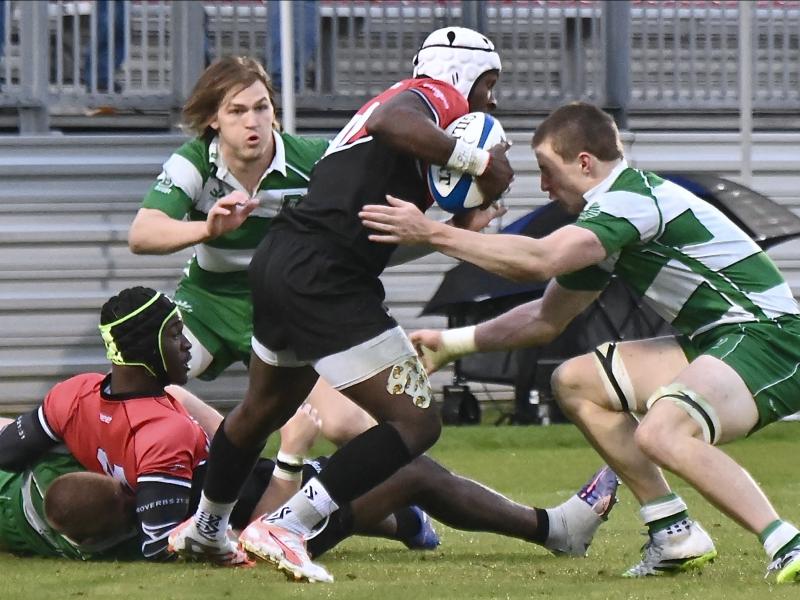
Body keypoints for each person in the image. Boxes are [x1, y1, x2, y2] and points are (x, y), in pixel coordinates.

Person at [359, 101, 800, 585]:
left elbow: (541, 259)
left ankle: (786, 543)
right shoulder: (608, 225)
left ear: (585, 163)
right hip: (717, 338)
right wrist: (452, 342)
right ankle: (674, 533)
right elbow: (546, 318)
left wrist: (431, 233)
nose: (544, 186)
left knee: (661, 433)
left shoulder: (631, 202)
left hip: (771, 338)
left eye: (548, 170)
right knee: (575, 382)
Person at [168, 26, 517, 582]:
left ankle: (208, 529)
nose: (492, 100)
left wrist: (457, 223)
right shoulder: (432, 95)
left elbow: (373, 215)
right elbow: (389, 122)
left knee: (262, 408)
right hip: (325, 276)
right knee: (416, 422)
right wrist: (477, 160)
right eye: (489, 84)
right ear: (461, 74)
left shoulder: (412, 130)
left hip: (283, 260)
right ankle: (289, 525)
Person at [128, 55, 375, 447]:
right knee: (139, 385)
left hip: (288, 305)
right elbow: (142, 234)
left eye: (261, 108)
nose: (252, 121)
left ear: (274, 112)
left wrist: (449, 228)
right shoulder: (193, 163)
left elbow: (379, 203)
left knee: (346, 425)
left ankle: (407, 501)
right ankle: (224, 441)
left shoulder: (315, 160)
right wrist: (207, 228)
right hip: (211, 302)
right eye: (237, 111)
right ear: (213, 120)